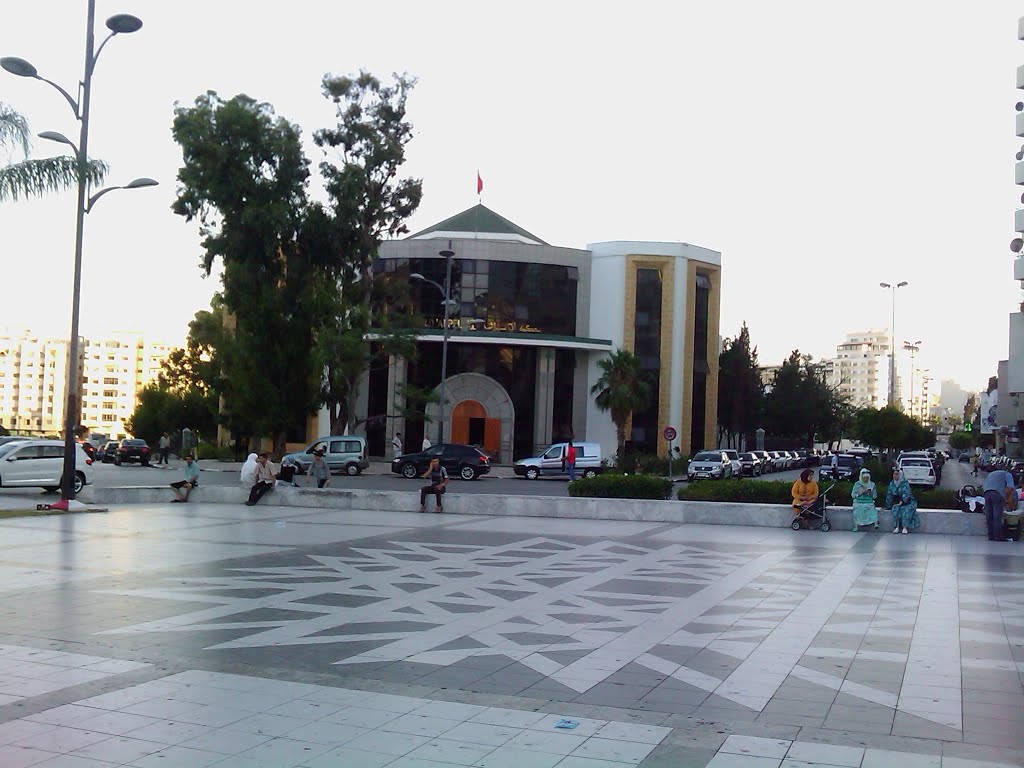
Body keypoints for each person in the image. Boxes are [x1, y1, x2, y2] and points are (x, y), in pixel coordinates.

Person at [983, 466, 1017, 542]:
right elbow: (1010, 488)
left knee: (989, 515)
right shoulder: (1008, 474)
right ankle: (998, 536)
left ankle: (990, 535)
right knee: (997, 516)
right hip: (997, 494)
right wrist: (1007, 499)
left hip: (987, 493)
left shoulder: (992, 474)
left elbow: (984, 485)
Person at [885, 468, 920, 534]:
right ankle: (896, 527)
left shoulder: (905, 483)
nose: (895, 475)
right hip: (897, 502)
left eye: (897, 474)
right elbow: (889, 495)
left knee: (905, 510)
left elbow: (907, 493)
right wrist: (888, 505)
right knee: (895, 509)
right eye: (894, 474)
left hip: (907, 502)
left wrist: (901, 501)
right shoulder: (892, 484)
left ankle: (905, 527)